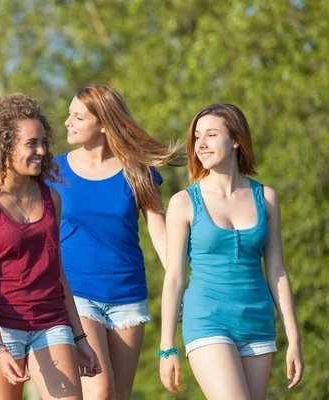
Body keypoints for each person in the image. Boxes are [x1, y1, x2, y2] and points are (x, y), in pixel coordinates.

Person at [48, 84, 185, 399]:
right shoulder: (53, 170)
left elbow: (161, 234)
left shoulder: (139, 172)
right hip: (76, 293)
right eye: (70, 114)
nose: (67, 122)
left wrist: (180, 288)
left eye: (78, 117)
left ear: (103, 124)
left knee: (118, 395)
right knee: (99, 391)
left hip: (128, 297)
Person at [159, 104, 304, 398]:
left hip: (257, 323)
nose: (201, 144)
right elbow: (174, 277)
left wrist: (294, 338)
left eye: (211, 135)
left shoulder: (267, 198)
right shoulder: (184, 202)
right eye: (197, 136)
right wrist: (166, 346)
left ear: (236, 139)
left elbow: (277, 271)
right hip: (207, 320)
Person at [0, 93, 101, 400]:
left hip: (51, 321)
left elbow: (58, 274)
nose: (41, 151)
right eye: (31, 144)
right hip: (1, 327)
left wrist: (80, 337)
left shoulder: (52, 199)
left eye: (42, 142)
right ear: (6, 148)